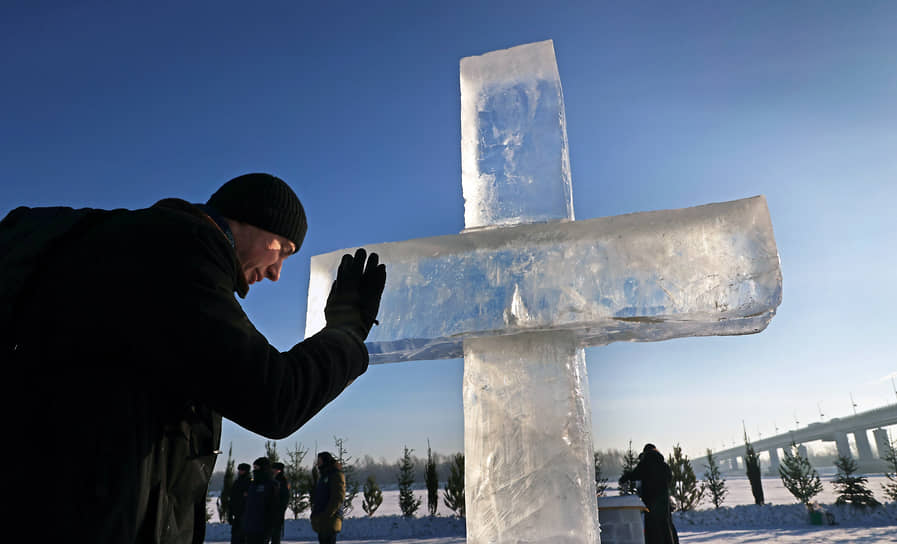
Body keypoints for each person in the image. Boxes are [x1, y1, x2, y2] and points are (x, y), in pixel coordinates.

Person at [1, 173, 386, 544]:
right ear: (248, 220)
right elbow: (272, 397)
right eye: (281, 250)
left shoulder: (140, 249)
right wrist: (347, 334)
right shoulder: (173, 253)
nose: (276, 273)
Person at [619, 443, 679, 544]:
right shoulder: (664, 465)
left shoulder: (645, 463)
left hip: (651, 502)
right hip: (664, 502)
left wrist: (625, 478)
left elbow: (635, 474)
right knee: (666, 527)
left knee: (653, 531)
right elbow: (669, 480)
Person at [242, 457, 281, 544]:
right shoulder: (252, 485)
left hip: (262, 527)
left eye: (256, 468)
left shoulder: (271, 485)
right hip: (250, 525)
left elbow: (273, 507)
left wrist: (270, 526)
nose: (254, 470)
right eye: (254, 468)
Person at [310, 452, 346, 544]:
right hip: (322, 519)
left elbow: (338, 497)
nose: (317, 463)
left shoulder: (335, 475)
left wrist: (327, 513)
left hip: (330, 519)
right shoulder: (324, 476)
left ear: (325, 461)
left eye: (319, 461)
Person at [229, 463, 253, 544]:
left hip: (246, 514)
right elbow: (232, 498)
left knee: (243, 537)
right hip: (237, 513)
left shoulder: (250, 483)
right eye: (239, 470)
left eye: (242, 470)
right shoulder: (237, 482)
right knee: (235, 537)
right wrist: (230, 513)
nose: (240, 472)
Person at [270, 462, 291, 544]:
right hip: (275, 509)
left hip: (277, 510)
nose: (273, 470)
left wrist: (281, 508)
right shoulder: (276, 479)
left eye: (274, 469)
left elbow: (284, 496)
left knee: (276, 533)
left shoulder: (281, 480)